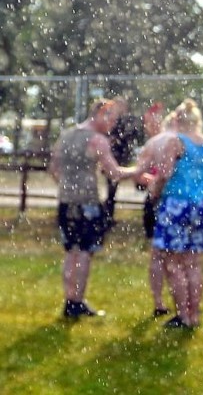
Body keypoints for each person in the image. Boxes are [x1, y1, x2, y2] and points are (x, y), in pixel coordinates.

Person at [49, 98, 142, 319]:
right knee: (84, 252)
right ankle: (77, 302)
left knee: (71, 252)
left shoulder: (67, 135)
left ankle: (69, 300)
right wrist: (140, 169)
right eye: (112, 119)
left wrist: (68, 186)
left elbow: (54, 168)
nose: (113, 125)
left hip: (65, 201)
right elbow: (114, 173)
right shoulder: (97, 140)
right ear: (102, 113)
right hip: (87, 202)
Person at [145, 99, 203, 328]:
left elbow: (164, 172)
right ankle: (194, 315)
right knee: (193, 263)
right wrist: (202, 176)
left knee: (173, 264)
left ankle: (182, 315)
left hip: (177, 204)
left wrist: (154, 190)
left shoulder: (176, 141)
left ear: (178, 120)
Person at [134, 102, 171, 317]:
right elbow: (138, 176)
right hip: (156, 203)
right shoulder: (150, 146)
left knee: (173, 256)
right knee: (159, 255)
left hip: (171, 202)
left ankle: (179, 302)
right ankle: (159, 302)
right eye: (148, 122)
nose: (150, 126)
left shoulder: (174, 143)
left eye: (153, 121)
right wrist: (154, 180)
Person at [105, 97, 145, 222]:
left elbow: (133, 134)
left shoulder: (129, 120)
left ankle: (107, 214)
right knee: (111, 187)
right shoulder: (111, 120)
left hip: (122, 156)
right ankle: (107, 214)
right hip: (113, 156)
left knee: (114, 187)